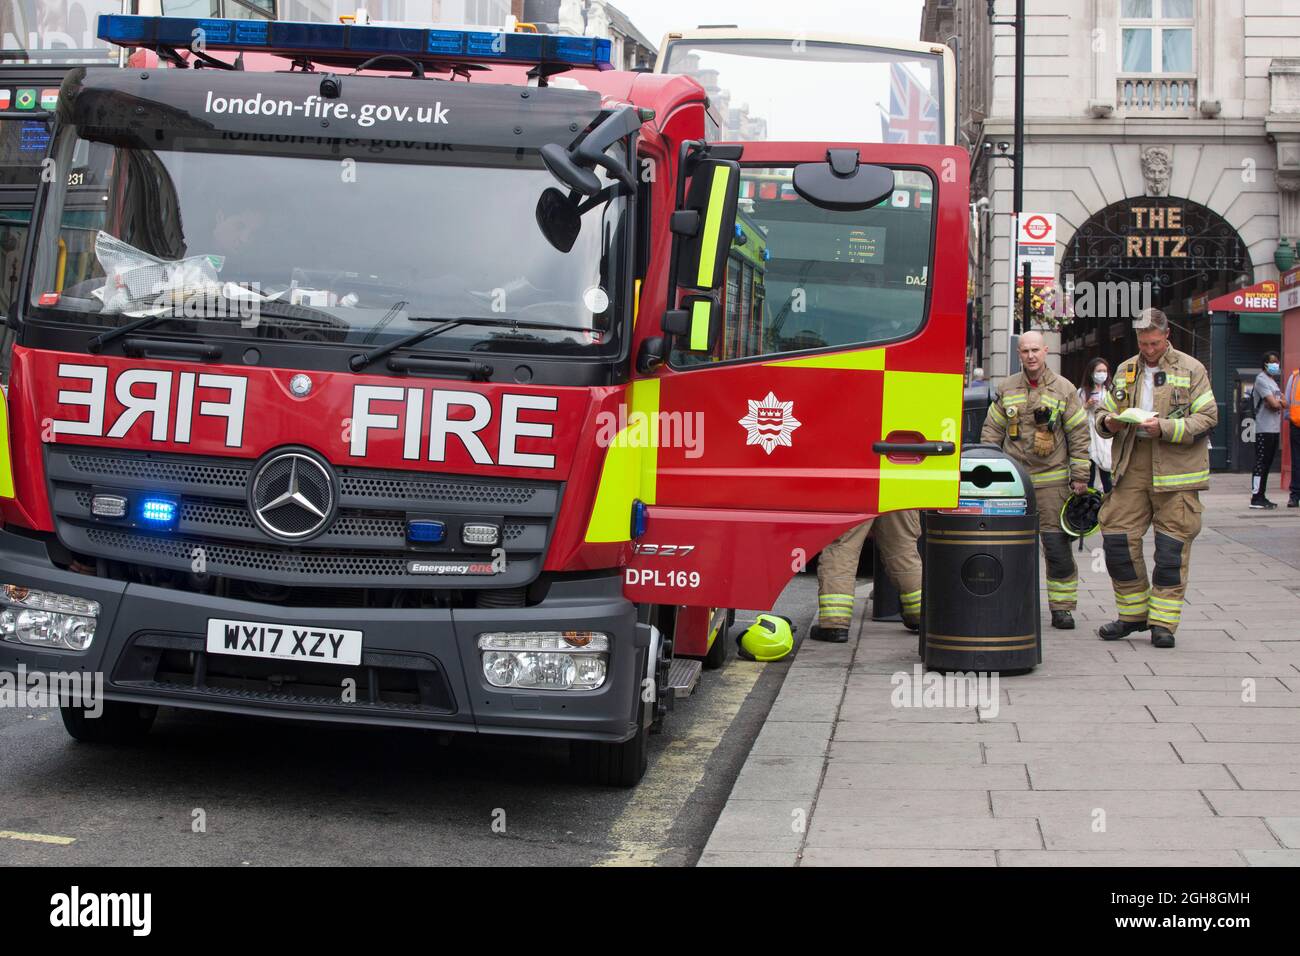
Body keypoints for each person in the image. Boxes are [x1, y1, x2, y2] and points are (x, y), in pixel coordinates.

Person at [1095, 307, 1217, 649]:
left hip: (1177, 471)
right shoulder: (1125, 370)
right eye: (1143, 343)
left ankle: (1163, 623)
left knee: (1170, 550)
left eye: (1155, 343)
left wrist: (1162, 427)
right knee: (1117, 540)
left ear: (1167, 337)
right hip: (1132, 464)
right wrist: (1110, 423)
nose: (1149, 350)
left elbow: (1207, 417)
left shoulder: (1192, 369)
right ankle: (1132, 614)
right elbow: (1102, 414)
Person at [980, 330, 1091, 629]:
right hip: (1014, 483)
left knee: (1056, 547)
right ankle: (1011, 602)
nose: (1030, 356)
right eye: (1025, 351)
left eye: (1035, 350)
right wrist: (988, 471)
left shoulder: (1064, 389)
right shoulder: (1007, 388)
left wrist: (1080, 476)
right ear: (1019, 354)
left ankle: (1062, 608)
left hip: (1052, 483)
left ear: (1045, 352)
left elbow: (1079, 435)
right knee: (1010, 547)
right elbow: (992, 432)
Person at [812, 510, 922, 641]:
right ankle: (920, 615)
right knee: (902, 548)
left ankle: (835, 623)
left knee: (843, 547)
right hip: (899, 490)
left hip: (857, 491)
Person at [1249, 351, 1284, 509]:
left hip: (1274, 428)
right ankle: (1256, 497)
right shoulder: (1261, 380)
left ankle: (1262, 495)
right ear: (1265, 364)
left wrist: (1277, 402)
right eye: (1272, 362)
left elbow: (1285, 402)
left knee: (1268, 463)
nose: (1276, 364)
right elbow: (1275, 404)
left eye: (1277, 361)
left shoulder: (1273, 382)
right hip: (1263, 428)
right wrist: (1277, 402)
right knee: (1261, 462)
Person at [1079, 356, 1114, 493]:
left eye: (1104, 371)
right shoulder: (1082, 392)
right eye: (1099, 370)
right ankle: (1091, 503)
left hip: (1105, 436)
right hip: (1089, 436)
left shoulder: (1110, 392)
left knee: (1107, 475)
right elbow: (1076, 415)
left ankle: (1110, 503)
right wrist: (1086, 406)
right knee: (1090, 474)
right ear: (1091, 372)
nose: (1102, 374)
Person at [1286, 365, 1300, 508]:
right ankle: (1295, 496)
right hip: (1296, 424)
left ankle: (1295, 496)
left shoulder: (1294, 377)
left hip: (1296, 424)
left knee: (1296, 462)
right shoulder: (1294, 377)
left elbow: (1288, 401)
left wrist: (1288, 418)